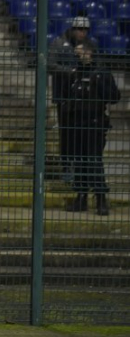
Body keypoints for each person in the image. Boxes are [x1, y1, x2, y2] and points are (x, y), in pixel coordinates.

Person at [59, 42, 120, 215]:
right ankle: (81, 197)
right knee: (80, 162)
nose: (78, 56)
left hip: (94, 124)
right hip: (77, 124)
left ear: (89, 52)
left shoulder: (101, 73)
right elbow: (65, 97)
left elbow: (114, 96)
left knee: (94, 161)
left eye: (81, 52)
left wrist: (99, 85)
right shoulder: (74, 74)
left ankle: (100, 198)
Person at [49, 17, 90, 185]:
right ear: (72, 29)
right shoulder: (58, 43)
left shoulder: (88, 45)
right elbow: (50, 65)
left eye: (84, 30)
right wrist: (70, 72)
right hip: (64, 97)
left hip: (83, 98)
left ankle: (80, 168)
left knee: (81, 135)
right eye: (79, 29)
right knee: (66, 133)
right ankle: (67, 166)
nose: (82, 33)